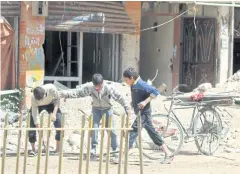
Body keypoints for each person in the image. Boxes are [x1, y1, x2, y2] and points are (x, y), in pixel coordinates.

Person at [59, 74, 131, 163]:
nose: (98, 88)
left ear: (102, 83)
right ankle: (93, 151)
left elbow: (119, 97)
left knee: (112, 131)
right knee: (94, 130)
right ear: (93, 84)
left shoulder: (108, 88)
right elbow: (78, 93)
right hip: (96, 110)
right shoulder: (90, 88)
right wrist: (65, 94)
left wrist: (127, 107)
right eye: (96, 86)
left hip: (107, 110)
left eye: (99, 86)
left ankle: (115, 152)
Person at [123, 67, 174, 163]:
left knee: (133, 132)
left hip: (144, 114)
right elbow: (138, 95)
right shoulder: (134, 84)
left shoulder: (141, 84)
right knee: (153, 134)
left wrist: (145, 102)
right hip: (140, 113)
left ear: (131, 78)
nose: (125, 82)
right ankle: (168, 153)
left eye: (126, 80)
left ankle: (123, 156)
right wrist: (133, 103)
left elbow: (155, 91)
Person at [29, 84, 62, 157]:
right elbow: (35, 115)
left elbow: (57, 100)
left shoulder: (52, 88)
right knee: (31, 124)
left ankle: (58, 149)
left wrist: (54, 113)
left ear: (45, 94)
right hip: (38, 107)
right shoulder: (33, 98)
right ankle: (33, 149)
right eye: (39, 100)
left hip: (51, 104)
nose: (41, 100)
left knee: (59, 122)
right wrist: (41, 133)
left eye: (42, 99)